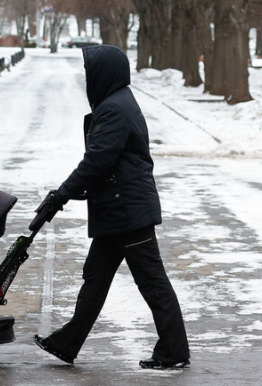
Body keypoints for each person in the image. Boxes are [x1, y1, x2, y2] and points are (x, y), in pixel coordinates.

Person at [34, 45, 190, 369]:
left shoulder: (115, 109)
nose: (88, 79)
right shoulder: (116, 103)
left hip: (127, 213)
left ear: (104, 74)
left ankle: (174, 351)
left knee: (152, 282)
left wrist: (61, 194)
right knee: (96, 276)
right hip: (118, 209)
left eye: (91, 73)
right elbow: (108, 162)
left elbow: (97, 161)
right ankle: (67, 342)